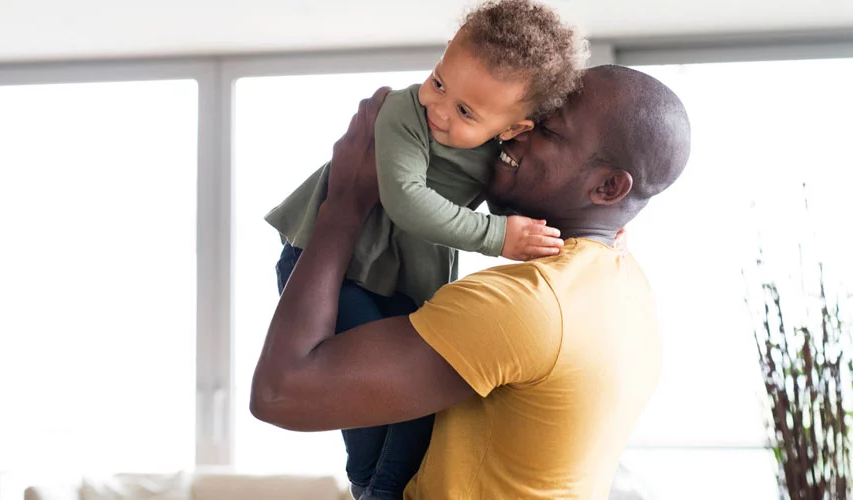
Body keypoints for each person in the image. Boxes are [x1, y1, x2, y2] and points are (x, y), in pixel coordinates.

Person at [251, 64, 691, 499]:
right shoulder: (625, 284)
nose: (513, 132)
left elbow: (280, 393)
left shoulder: (528, 304)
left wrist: (345, 202)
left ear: (609, 187)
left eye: (547, 131)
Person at [263, 1, 586, 498]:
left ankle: (379, 488)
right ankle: (374, 491)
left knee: (414, 409)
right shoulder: (403, 113)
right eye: (439, 81)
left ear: (513, 129)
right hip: (334, 267)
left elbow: (529, 195)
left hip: (401, 278)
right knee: (366, 404)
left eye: (464, 110)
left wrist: (588, 231)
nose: (437, 106)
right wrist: (499, 237)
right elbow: (405, 201)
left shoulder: (500, 152)